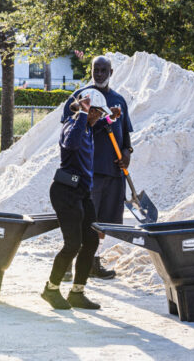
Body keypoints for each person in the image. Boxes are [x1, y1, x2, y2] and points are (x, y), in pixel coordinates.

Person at [41, 88, 117, 310]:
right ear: (89, 110)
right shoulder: (72, 126)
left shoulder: (89, 128)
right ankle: (51, 288)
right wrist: (82, 113)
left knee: (91, 240)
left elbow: (101, 124)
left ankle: (77, 292)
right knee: (72, 243)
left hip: (82, 193)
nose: (99, 118)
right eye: (97, 113)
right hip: (65, 192)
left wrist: (112, 117)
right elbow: (71, 144)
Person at [60, 55, 134, 280]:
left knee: (102, 223)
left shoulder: (119, 101)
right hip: (87, 172)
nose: (99, 74)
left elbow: (126, 139)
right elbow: (70, 131)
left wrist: (127, 154)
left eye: (104, 70)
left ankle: (92, 262)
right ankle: (66, 265)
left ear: (111, 72)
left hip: (113, 173)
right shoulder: (81, 97)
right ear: (90, 71)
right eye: (96, 70)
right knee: (81, 220)